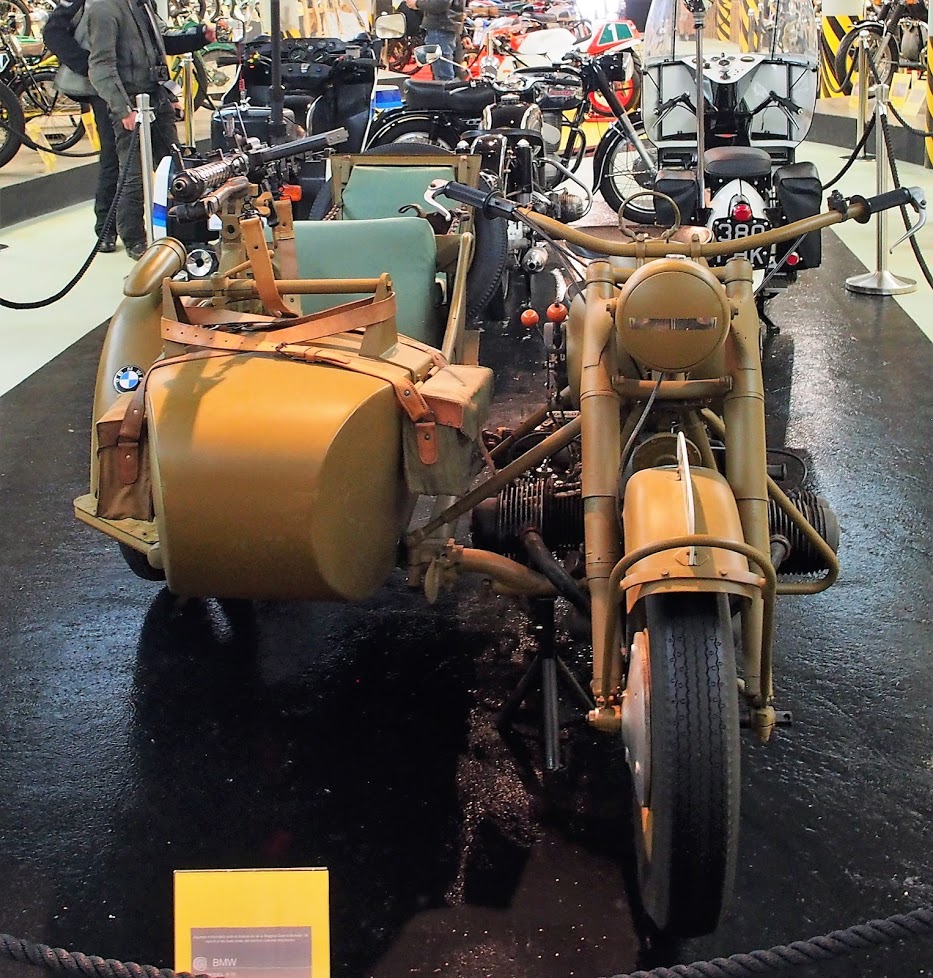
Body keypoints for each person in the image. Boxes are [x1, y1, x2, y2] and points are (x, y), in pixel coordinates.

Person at [85, 0, 214, 259]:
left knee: (175, 168)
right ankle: (134, 238)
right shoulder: (104, 10)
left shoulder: (142, 4)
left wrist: (199, 37)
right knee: (133, 175)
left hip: (156, 96)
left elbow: (159, 45)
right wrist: (123, 109)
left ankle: (182, 230)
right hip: (131, 102)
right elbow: (101, 65)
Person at [44, 0, 120, 252]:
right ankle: (106, 227)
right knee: (113, 156)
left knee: (159, 155)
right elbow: (53, 32)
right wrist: (89, 67)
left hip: (141, 81)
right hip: (105, 87)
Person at [404, 0, 464, 82]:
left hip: (440, 27)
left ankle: (445, 90)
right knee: (450, 75)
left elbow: (440, 4)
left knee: (443, 77)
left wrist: (417, 3)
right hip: (447, 27)